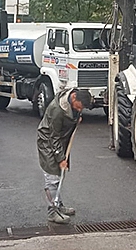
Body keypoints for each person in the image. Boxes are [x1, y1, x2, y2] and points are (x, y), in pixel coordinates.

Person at [37, 88, 92, 224]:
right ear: (74, 97)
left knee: (59, 175)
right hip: (48, 142)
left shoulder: (73, 102)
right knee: (52, 177)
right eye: (80, 106)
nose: (81, 109)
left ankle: (59, 206)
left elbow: (73, 115)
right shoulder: (57, 110)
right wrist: (60, 158)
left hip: (61, 141)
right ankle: (52, 212)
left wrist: (76, 118)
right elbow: (53, 136)